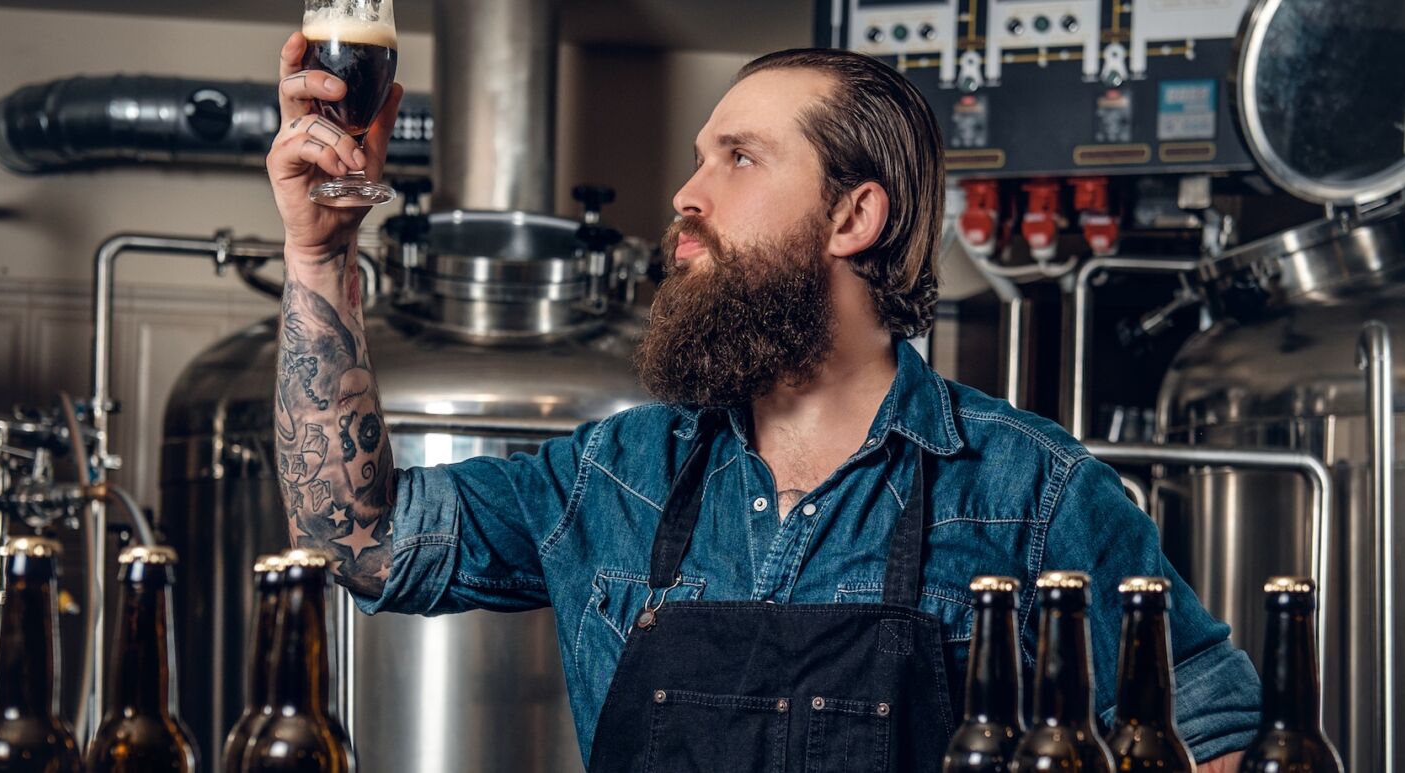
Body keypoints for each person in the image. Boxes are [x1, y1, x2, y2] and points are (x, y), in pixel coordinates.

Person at [267, 32, 1257, 772]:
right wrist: (319, 254)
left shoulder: (1031, 489)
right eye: (699, 157)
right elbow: (364, 541)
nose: (686, 193)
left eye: (737, 158)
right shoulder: (612, 474)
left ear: (853, 214)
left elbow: (1213, 733)